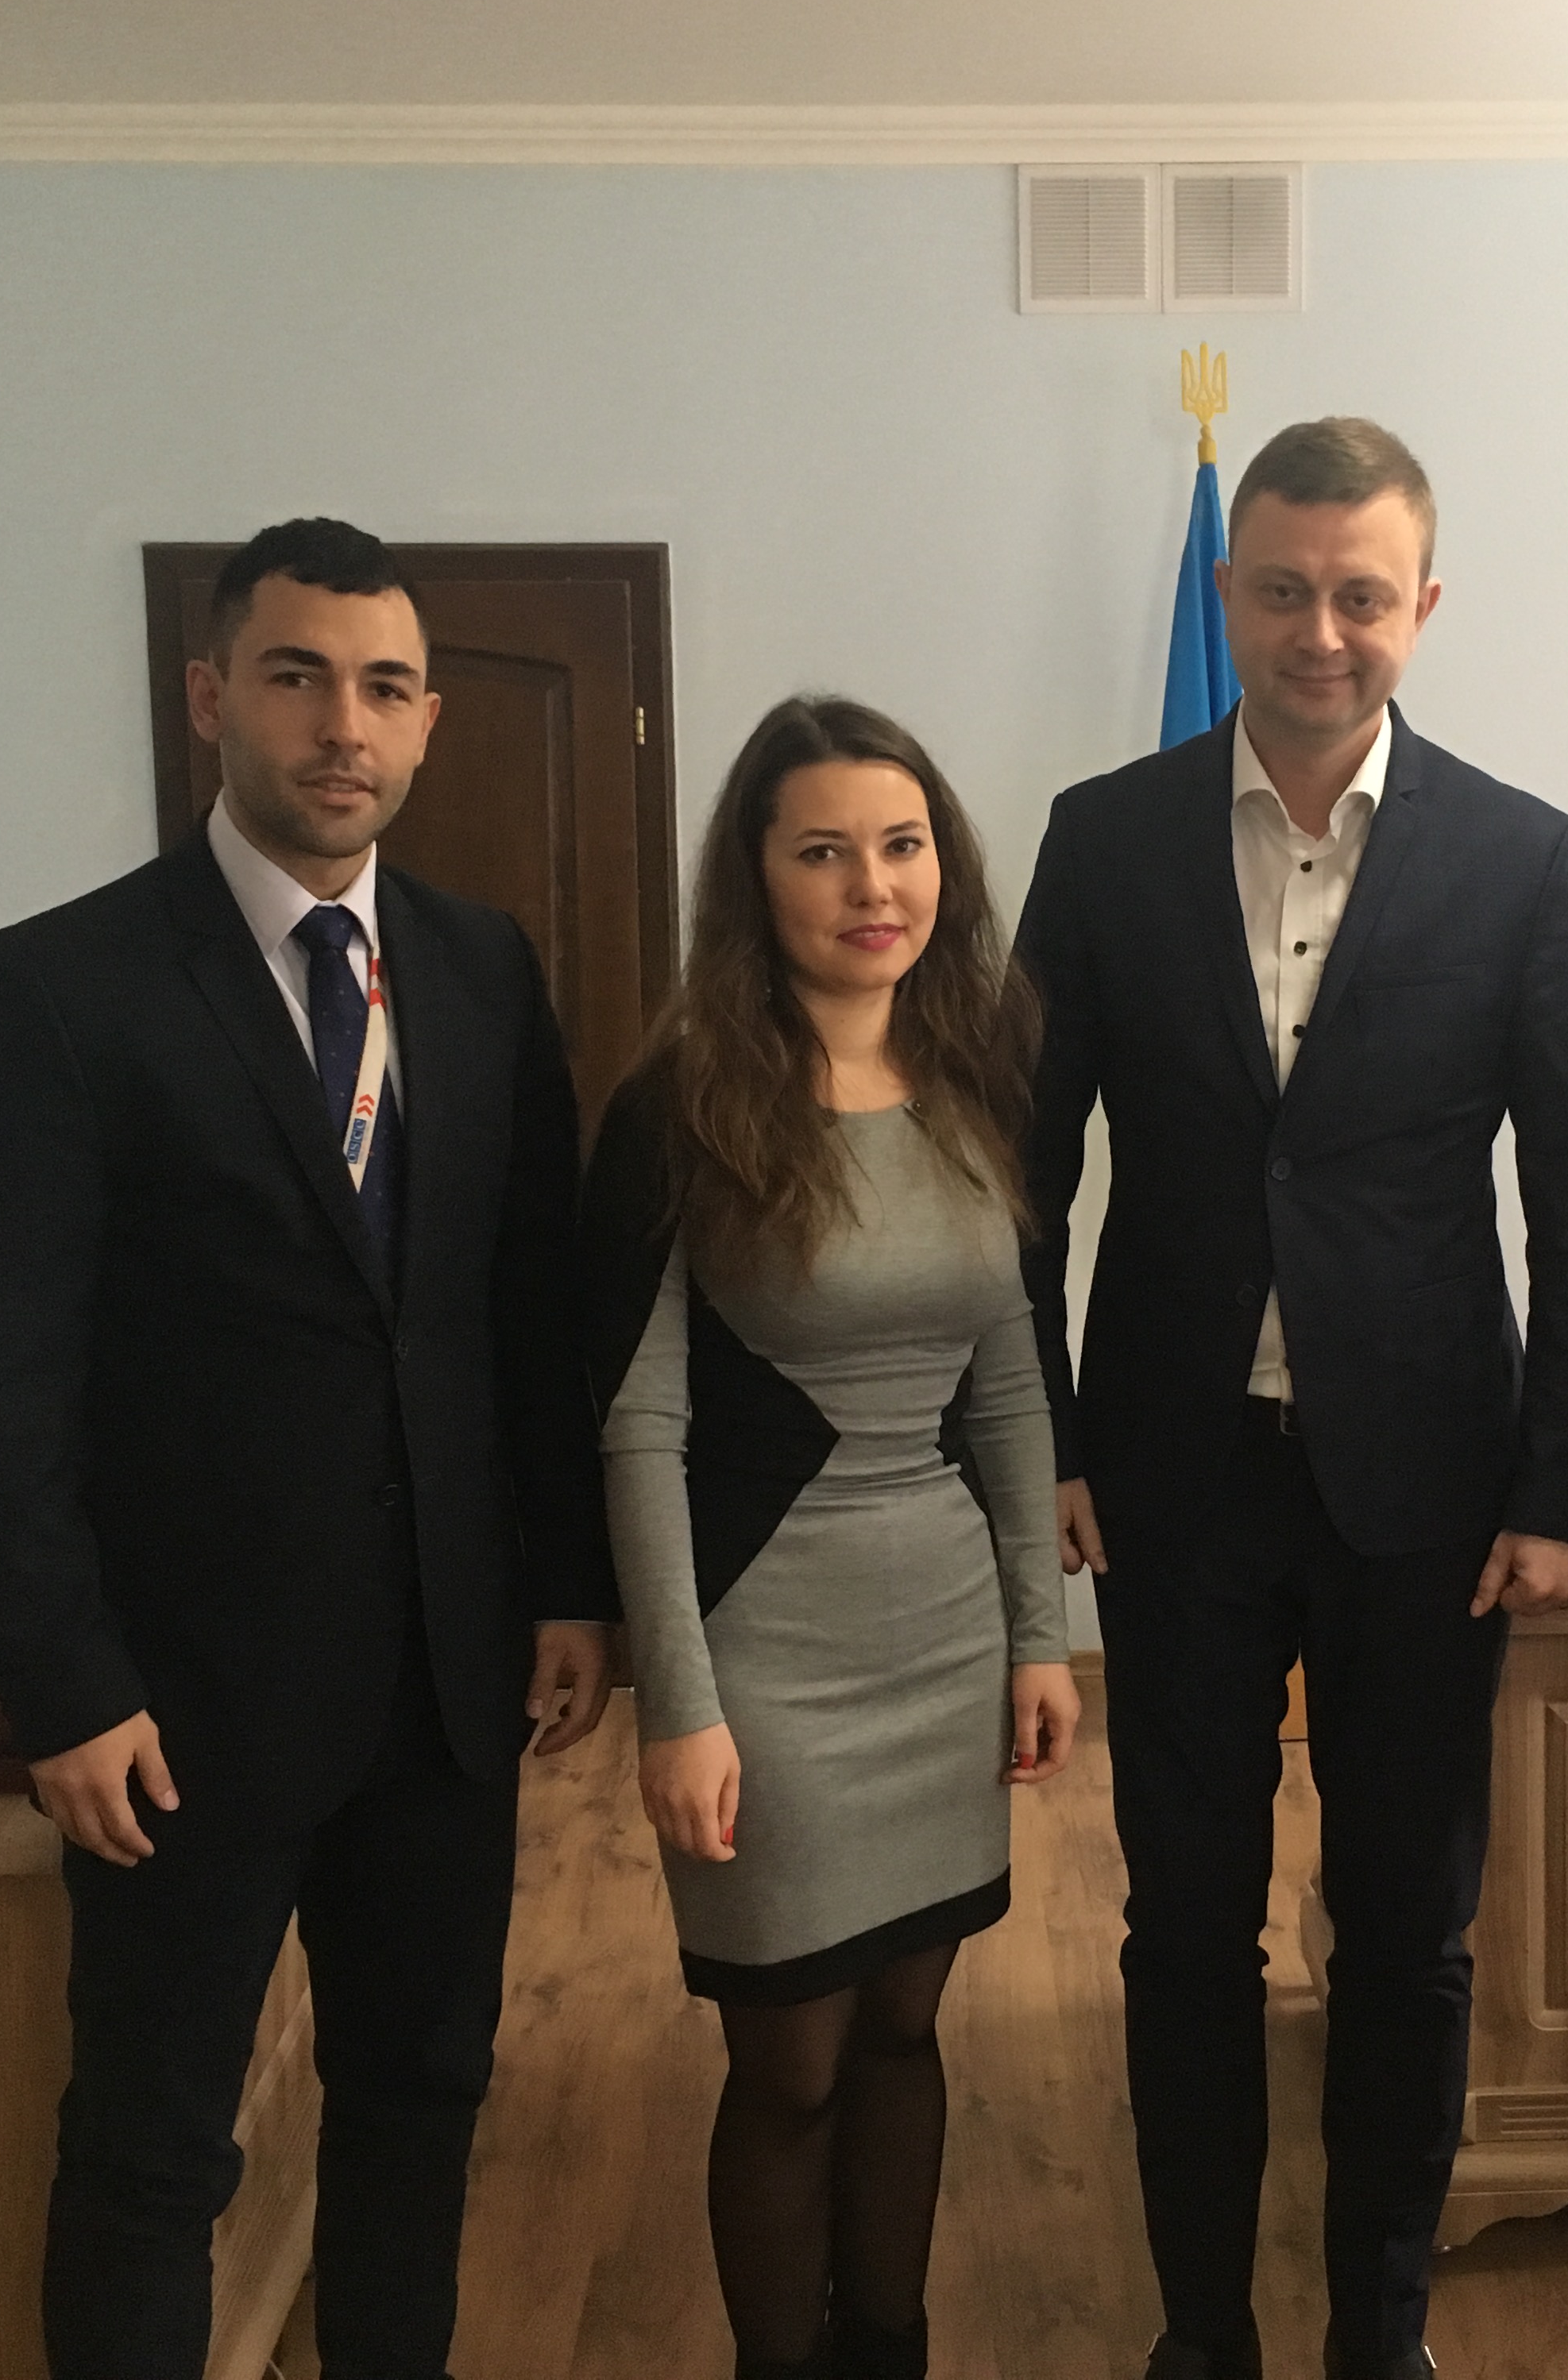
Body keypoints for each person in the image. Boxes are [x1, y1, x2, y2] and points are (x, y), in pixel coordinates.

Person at [0, 517, 617, 2380]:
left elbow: (527, 1316)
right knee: (153, 2154)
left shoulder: (480, 970)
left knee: (420, 2100)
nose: (343, 725)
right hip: (179, 1705)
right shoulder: (63, 987)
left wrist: (567, 1586)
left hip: (444, 1688)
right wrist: (63, 1685)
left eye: (385, 687)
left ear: (431, 720)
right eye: (298, 676)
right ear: (212, 694)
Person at [1014, 418, 1568, 2380]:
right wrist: (1044, 1446)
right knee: (1185, 1928)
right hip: (1173, 1473)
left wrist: (1567, 1485)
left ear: (1422, 607)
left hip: (1431, 1493)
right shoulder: (1104, 837)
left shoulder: (1521, 857)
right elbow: (1014, 1171)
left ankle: (1383, 2334)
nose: (1320, 631)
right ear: (1230, 594)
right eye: (1282, 590)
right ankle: (1202, 2332)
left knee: (1410, 1934)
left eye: (1362, 596)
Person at [581, 695, 1078, 2380]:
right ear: (757, 876)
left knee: (905, 2033)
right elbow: (639, 1423)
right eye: (824, 851)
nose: (874, 885)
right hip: (762, 1651)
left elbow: (1009, 1380)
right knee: (789, 2063)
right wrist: (677, 1703)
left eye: (903, 844)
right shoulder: (682, 1105)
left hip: (940, 1629)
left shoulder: (977, 1074)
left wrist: (1040, 1636)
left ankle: (890, 2349)